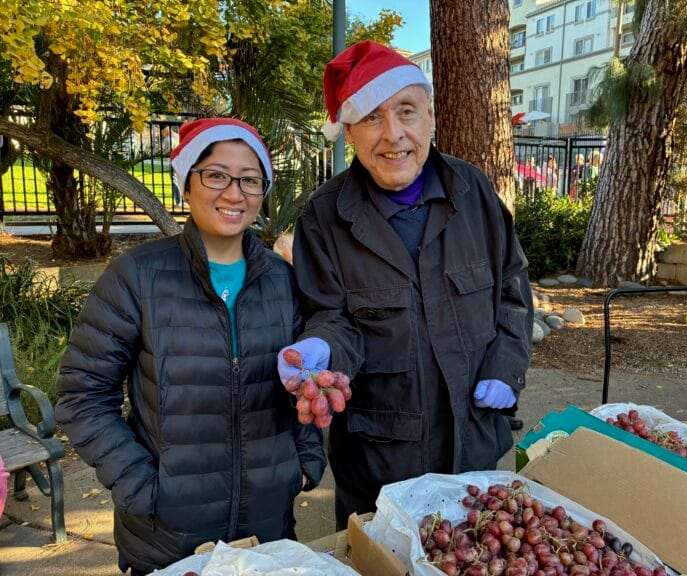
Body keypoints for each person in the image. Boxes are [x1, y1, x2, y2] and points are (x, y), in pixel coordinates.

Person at [277, 41, 534, 528]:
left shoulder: (473, 191)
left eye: (406, 111)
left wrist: (506, 366)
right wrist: (320, 349)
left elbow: (512, 290)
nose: (393, 134)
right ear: (349, 132)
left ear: (430, 117)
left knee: (476, 553)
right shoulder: (324, 217)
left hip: (474, 447)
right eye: (372, 117)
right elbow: (328, 316)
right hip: (379, 464)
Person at [55, 118, 326, 575]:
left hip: (267, 530)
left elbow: (306, 384)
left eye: (249, 179)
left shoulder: (284, 281)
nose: (233, 192)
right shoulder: (136, 277)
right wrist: (144, 488)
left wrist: (304, 462)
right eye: (216, 174)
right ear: (186, 184)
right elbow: (81, 397)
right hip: (165, 539)